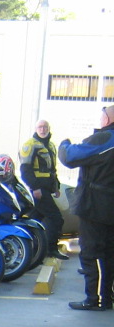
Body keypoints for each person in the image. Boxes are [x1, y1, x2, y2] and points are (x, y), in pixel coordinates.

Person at [58, 105, 114, 311]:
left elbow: (70, 156)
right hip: (107, 207)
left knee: (93, 252)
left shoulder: (105, 139)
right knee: (109, 254)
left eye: (102, 116)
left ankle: (95, 298)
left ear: (107, 119)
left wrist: (64, 144)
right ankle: (106, 297)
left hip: (96, 206)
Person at [19, 118, 65, 259]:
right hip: (38, 190)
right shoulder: (30, 145)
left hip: (46, 189)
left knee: (35, 219)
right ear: (35, 129)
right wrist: (35, 188)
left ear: (49, 128)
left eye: (45, 127)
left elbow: (52, 169)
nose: (43, 129)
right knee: (56, 218)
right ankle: (51, 249)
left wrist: (56, 186)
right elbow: (25, 170)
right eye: (40, 127)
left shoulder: (51, 145)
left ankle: (30, 249)